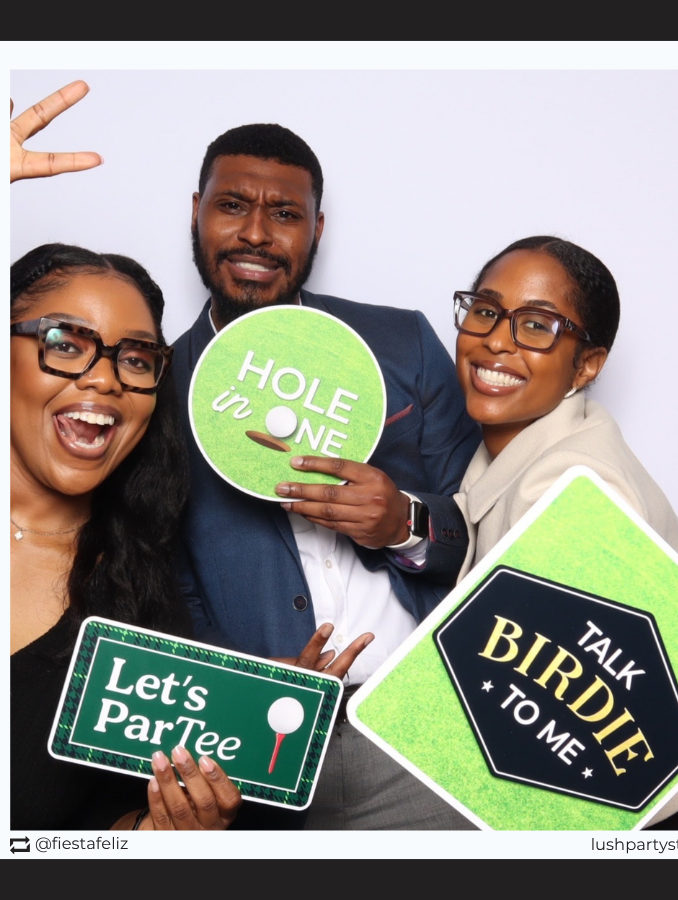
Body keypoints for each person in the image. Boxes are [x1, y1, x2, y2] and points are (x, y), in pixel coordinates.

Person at [9, 85, 370, 831]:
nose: (104, 377)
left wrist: (171, 824)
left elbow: (73, 833)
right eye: (65, 344)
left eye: (136, 358)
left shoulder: (140, 603)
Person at [173, 123, 482, 829]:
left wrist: (405, 522)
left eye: (284, 214)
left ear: (317, 226)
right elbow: (156, 588)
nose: (256, 233)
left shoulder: (402, 343)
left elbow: (494, 528)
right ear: (196, 211)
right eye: (232, 206)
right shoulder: (152, 390)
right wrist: (248, 699)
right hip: (260, 750)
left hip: (427, 722)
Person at [450, 234, 678, 829]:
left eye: (537, 325)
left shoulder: (569, 483)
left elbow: (574, 684)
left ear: (587, 365)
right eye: (487, 311)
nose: (496, 338)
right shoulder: (533, 442)